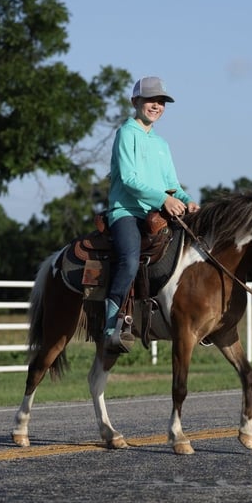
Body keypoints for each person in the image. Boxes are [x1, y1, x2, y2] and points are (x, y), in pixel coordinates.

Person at [104, 76, 200, 352]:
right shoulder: (126, 133)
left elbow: (172, 184)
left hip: (159, 213)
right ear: (135, 101)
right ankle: (111, 325)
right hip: (127, 212)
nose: (156, 106)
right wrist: (164, 200)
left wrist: (186, 199)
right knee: (130, 260)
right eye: (150, 100)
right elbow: (129, 180)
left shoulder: (161, 144)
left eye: (161, 102)